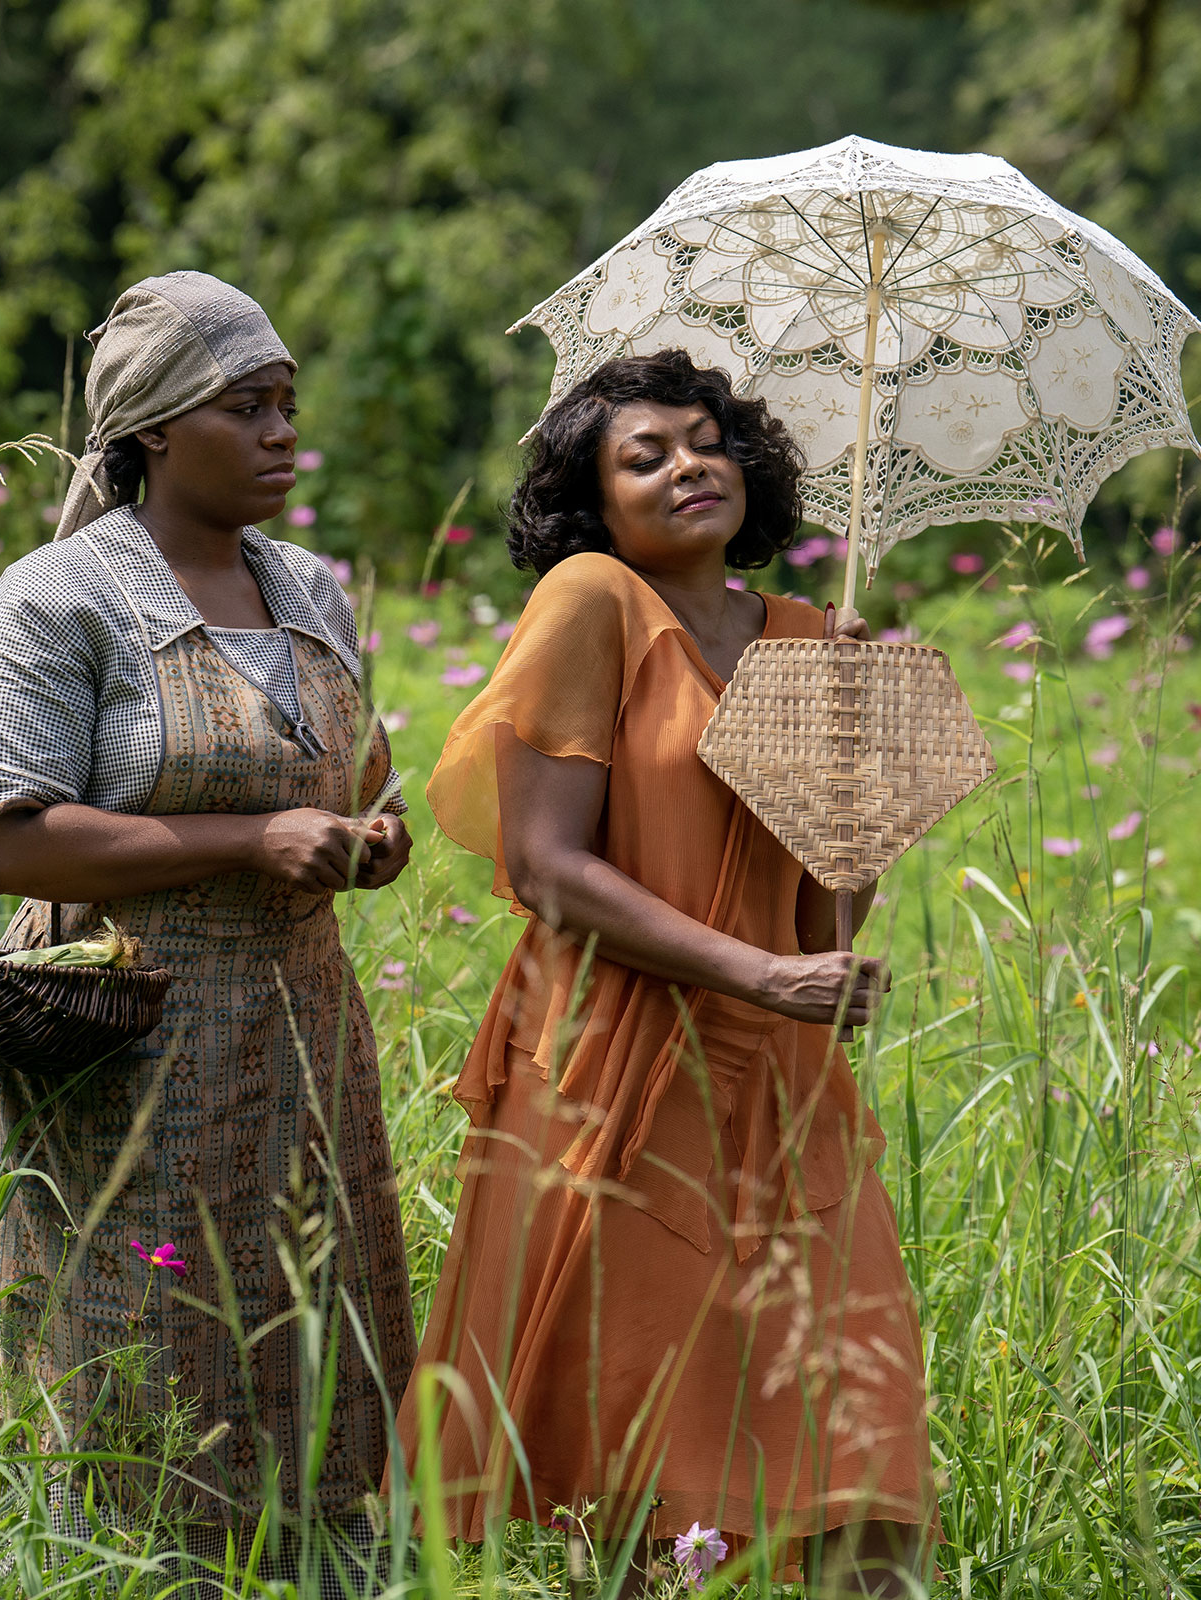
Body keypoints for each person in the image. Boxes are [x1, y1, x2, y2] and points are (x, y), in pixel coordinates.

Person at [393, 350, 935, 1594]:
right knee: (661, 1409)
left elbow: (828, 917)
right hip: (617, 1065)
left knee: (845, 1398)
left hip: (777, 1069)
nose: (692, 463)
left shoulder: (806, 638)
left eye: (709, 440)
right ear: (599, 501)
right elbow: (544, 866)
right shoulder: (594, 601)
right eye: (647, 454)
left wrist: (856, 738)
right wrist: (756, 970)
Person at [0, 270, 418, 1587]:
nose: (281, 435)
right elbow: (6, 841)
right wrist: (247, 843)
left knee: (303, 1339)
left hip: (299, 1046)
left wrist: (372, 839)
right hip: (127, 1045)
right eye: (246, 407)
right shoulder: (65, 597)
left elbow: (372, 786)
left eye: (287, 407)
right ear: (153, 426)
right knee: (136, 1351)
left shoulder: (310, 588)